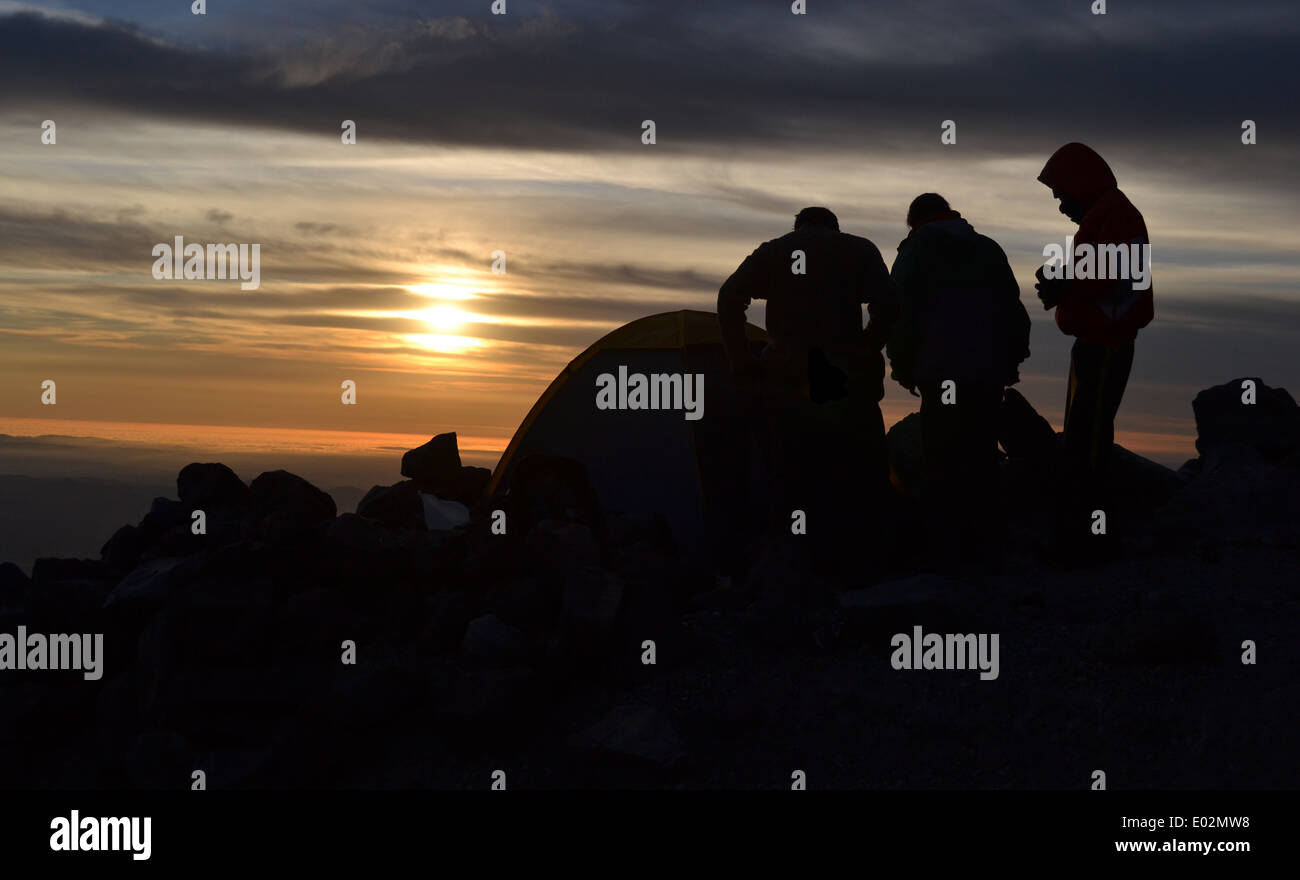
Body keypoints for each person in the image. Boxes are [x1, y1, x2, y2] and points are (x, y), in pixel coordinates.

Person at [717, 206, 899, 582]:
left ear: (798, 226)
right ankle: (862, 566)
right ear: (834, 226)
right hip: (846, 381)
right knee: (858, 475)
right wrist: (867, 345)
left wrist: (740, 359)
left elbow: (729, 296)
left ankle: (794, 568)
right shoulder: (860, 250)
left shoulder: (775, 251)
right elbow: (890, 305)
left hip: (788, 379)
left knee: (790, 476)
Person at [886, 194, 1030, 571]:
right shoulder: (988, 248)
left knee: (941, 456)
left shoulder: (914, 251)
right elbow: (1013, 309)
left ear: (915, 222)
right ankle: (988, 550)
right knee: (982, 455)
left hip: (940, 372)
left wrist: (901, 365)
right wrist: (1012, 360)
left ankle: (946, 553)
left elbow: (898, 312)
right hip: (986, 372)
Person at [1035, 143, 1153, 560]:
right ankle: (1084, 537)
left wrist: (1064, 286)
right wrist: (1064, 287)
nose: (1060, 204)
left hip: (1107, 344)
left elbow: (1116, 278)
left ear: (1080, 186)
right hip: (1094, 343)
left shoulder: (1115, 214)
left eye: (1061, 194)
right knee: (1086, 439)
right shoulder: (1107, 215)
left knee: (1088, 444)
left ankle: (1088, 541)